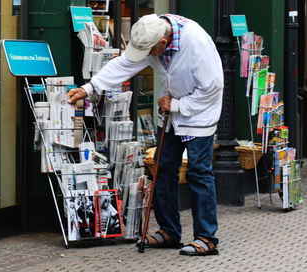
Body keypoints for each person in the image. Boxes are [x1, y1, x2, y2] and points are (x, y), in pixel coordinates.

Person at [68, 14, 223, 256]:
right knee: (162, 167)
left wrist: (178, 106)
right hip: (169, 113)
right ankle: (169, 232)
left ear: (163, 42)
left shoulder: (196, 43)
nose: (147, 56)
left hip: (198, 115)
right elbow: (125, 64)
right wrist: (89, 88)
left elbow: (212, 88)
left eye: (150, 50)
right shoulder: (151, 32)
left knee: (198, 171)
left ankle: (206, 237)